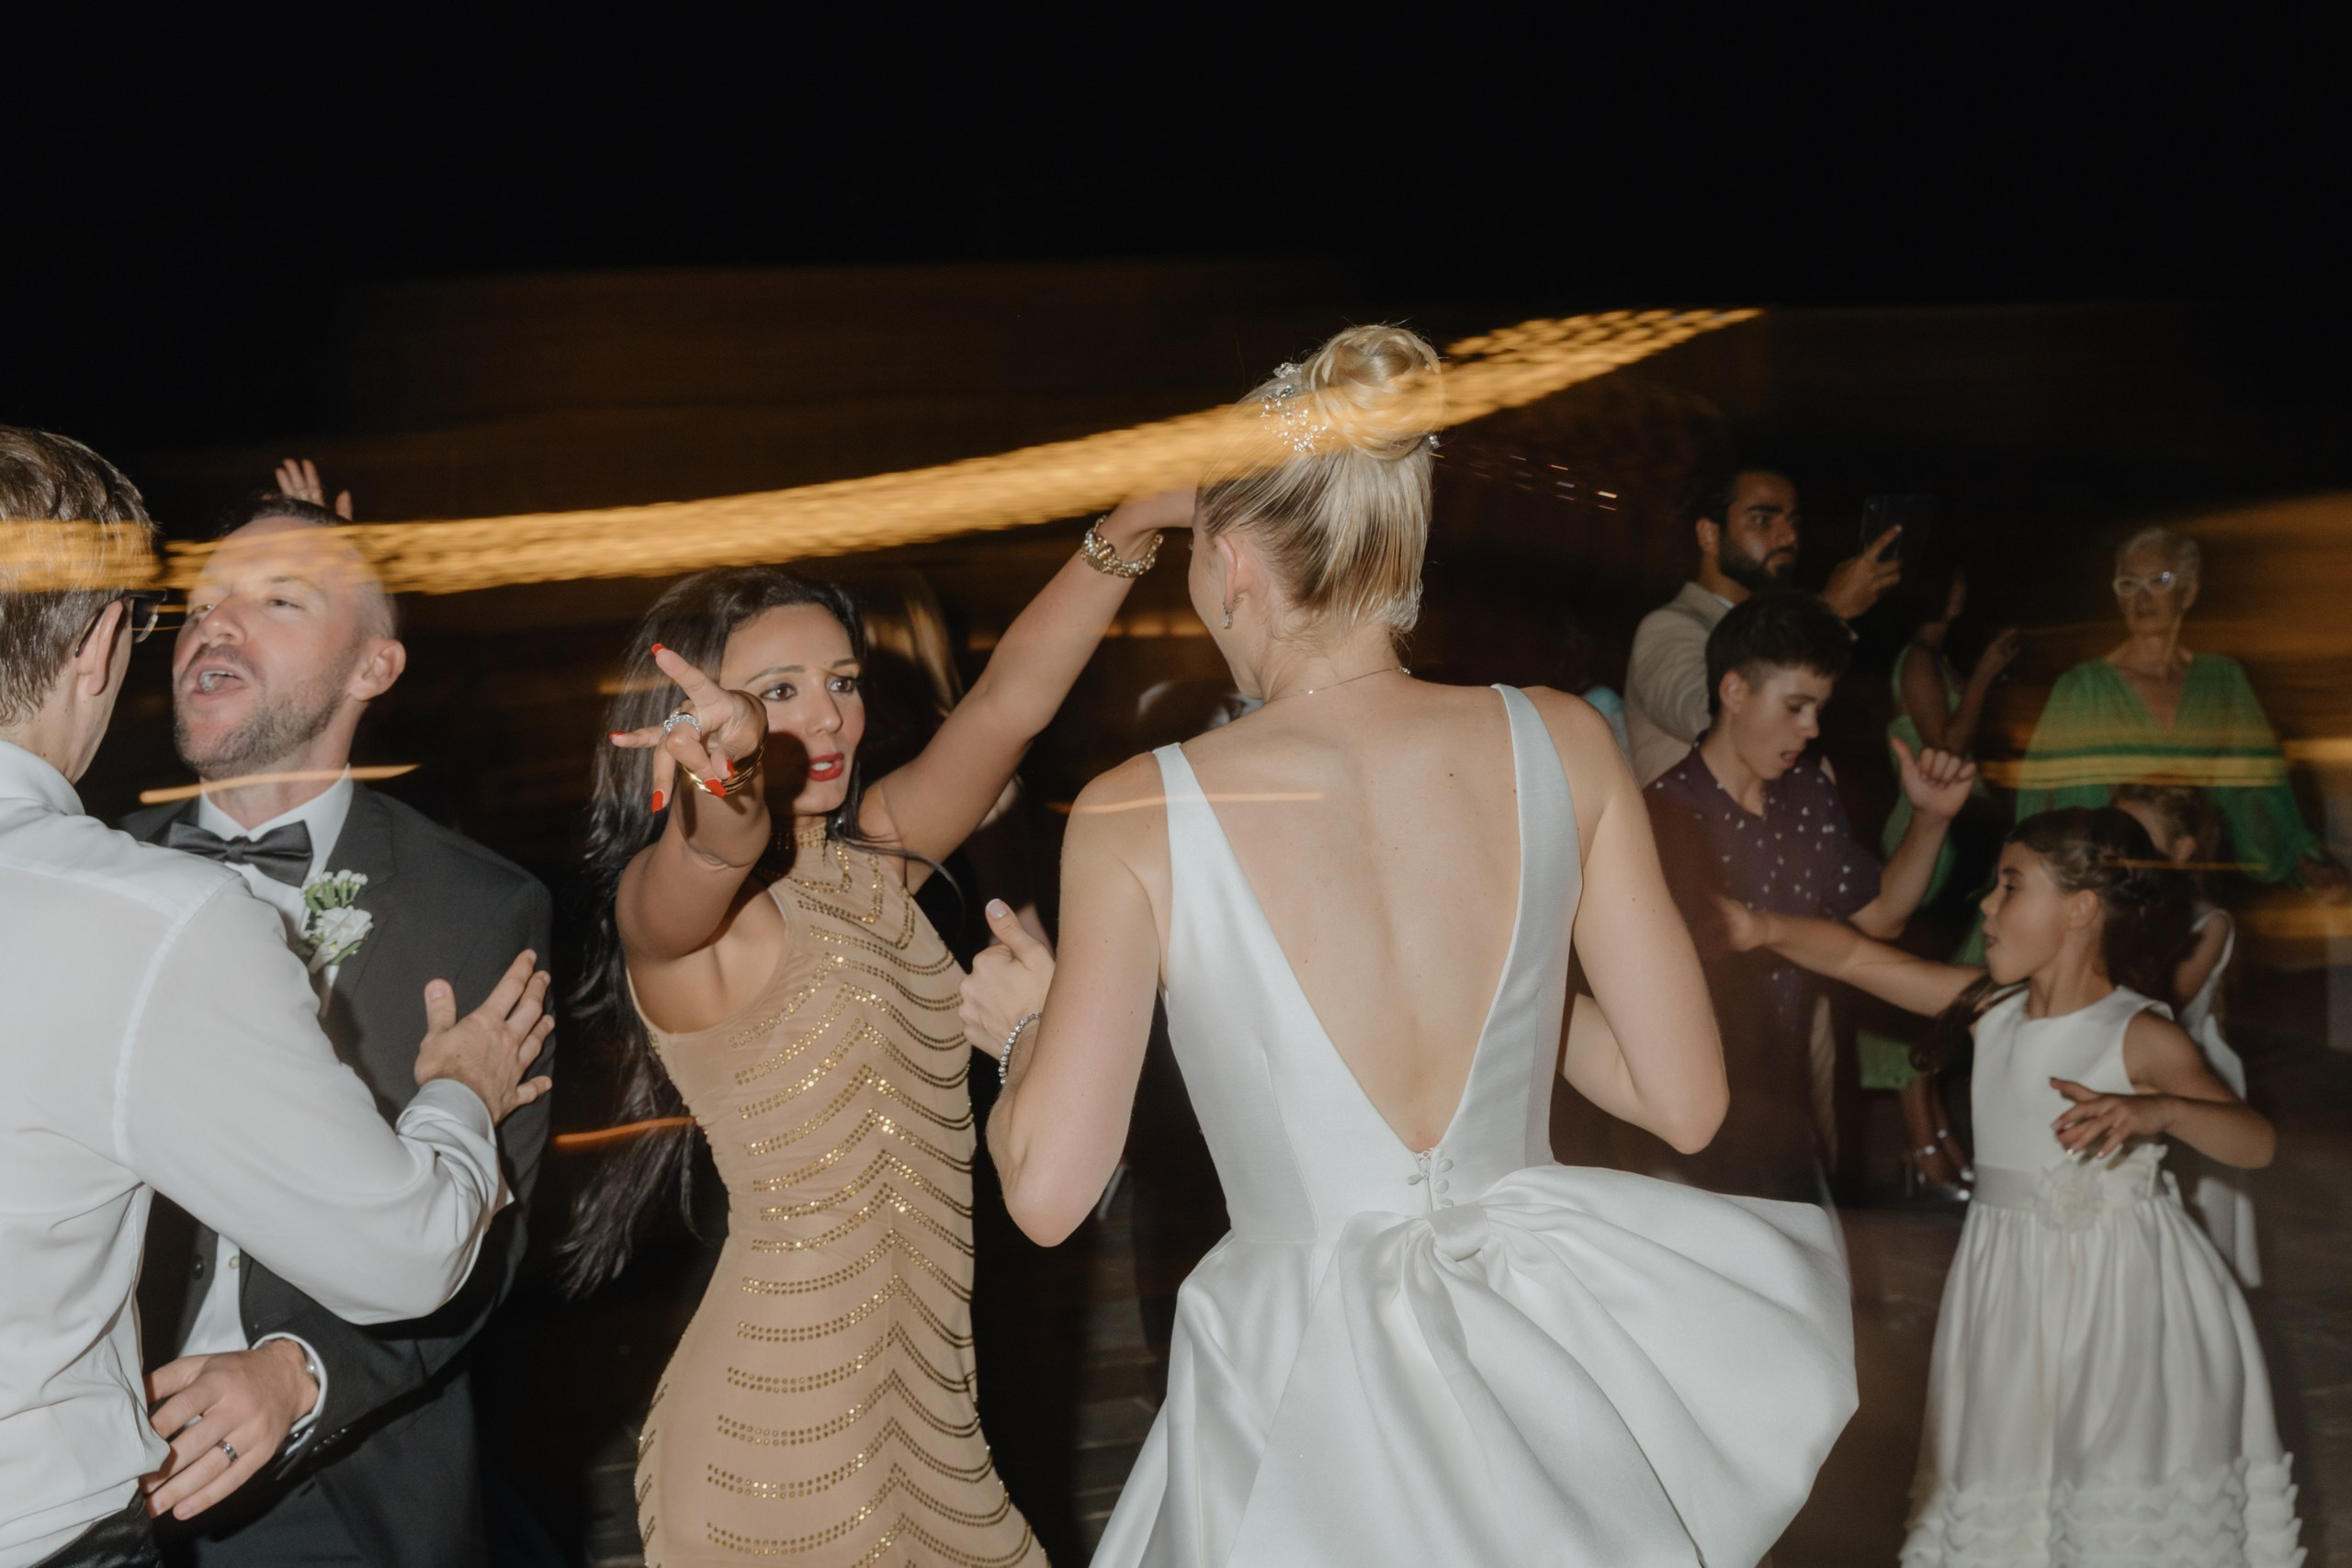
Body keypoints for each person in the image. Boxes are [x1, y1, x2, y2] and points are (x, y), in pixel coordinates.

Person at [957, 329, 1856, 1567]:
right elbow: (1685, 1100)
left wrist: (1024, 1032)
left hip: (1303, 1393)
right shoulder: (1564, 740)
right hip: (1540, 1364)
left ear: (1230, 567)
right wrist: (1513, 974)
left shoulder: (1138, 808)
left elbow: (1052, 1195)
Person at [559, 488, 1187, 1567]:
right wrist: (724, 776)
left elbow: (1008, 706)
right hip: (772, 1436)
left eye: (841, 683)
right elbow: (710, 851)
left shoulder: (878, 855)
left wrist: (1131, 529)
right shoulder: (685, 922)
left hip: (932, 1418)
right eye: (779, 691)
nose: (832, 716)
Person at [0, 427, 550, 1568]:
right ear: (109, 645)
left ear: (373, 667)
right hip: (102, 1490)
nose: (213, 625)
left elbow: (491, 1240)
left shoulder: (480, 904)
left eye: (277, 600)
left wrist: (301, 1374)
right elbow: (412, 1231)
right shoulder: (112, 885)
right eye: (198, 603)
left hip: (348, 1497)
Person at [1719, 807, 2302, 1566]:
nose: (1987, 905)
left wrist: (2157, 1107)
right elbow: (1860, 958)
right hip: (2007, 1286)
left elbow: (2254, 1143)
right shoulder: (1990, 1010)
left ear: (2081, 908)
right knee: (2010, 1461)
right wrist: (1761, 928)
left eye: (2010, 884)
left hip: (2121, 1290)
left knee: (2111, 1463)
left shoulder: (2138, 1033)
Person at [1645, 591, 1976, 1200]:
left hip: (1784, 1103)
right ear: (1735, 691)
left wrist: (1929, 820)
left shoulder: (1806, 795)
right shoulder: (1665, 815)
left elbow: (1880, 918)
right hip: (1688, 1124)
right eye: (1796, 705)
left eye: (1819, 708)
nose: (1812, 727)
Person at [2016, 525, 2346, 893]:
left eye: (2160, 580)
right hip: (2105, 890)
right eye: (2129, 584)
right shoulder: (2084, 688)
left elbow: (2253, 792)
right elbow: (2047, 807)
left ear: (2189, 593)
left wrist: (2300, 860)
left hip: (2185, 885)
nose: (2143, 596)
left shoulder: (2221, 680)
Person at [1867, 563, 2018, 1194]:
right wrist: (1984, 675)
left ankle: (1935, 1138)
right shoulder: (1918, 659)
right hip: (1929, 827)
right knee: (1923, 981)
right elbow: (1946, 749)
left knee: (1948, 991)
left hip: (1962, 827)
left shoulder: (1937, 658)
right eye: (1947, 578)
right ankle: (1924, 1145)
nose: (1960, 586)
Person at [1623, 466, 1902, 784]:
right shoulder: (1669, 627)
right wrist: (1827, 610)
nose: (1789, 536)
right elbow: (1715, 718)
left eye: (1793, 521)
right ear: (1709, 534)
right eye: (1763, 520)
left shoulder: (1777, 625)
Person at [2113, 782, 2260, 1286]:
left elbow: (2163, 1004)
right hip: (2134, 1079)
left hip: (2193, 1084)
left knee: (2198, 1244)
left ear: (2181, 851)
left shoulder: (2207, 921)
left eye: (2139, 840)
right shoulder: (2120, 912)